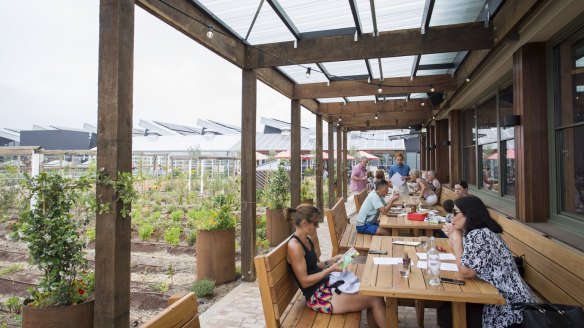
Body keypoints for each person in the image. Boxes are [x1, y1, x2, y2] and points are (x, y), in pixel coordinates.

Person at [285, 204, 386, 327]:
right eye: (315, 223)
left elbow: (314, 265)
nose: (317, 227)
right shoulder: (295, 247)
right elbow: (305, 281)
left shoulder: (306, 239)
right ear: (305, 223)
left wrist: (331, 261)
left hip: (326, 285)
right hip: (319, 297)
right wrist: (330, 270)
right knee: (375, 298)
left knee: (373, 294)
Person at [440, 196, 534, 327]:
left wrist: (456, 239)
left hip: (509, 306)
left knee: (449, 311)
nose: (451, 217)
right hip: (500, 296)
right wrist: (455, 236)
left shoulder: (480, 235)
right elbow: (460, 252)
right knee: (447, 308)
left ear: (469, 213)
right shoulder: (477, 232)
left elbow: (466, 272)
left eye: (455, 213)